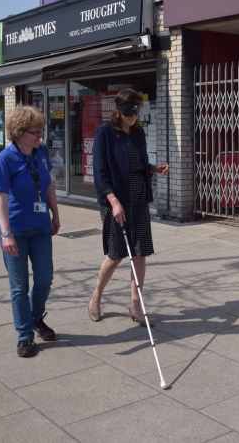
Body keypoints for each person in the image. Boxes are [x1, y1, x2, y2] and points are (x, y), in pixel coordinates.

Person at [89, 89, 168, 326]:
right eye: (129, 110)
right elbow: (100, 172)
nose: (133, 115)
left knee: (140, 253)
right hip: (116, 202)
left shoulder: (138, 132)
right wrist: (113, 202)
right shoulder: (104, 133)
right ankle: (96, 295)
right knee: (116, 255)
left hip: (139, 200)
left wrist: (154, 169)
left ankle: (136, 305)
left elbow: (137, 163)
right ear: (119, 108)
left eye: (137, 110)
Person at [0, 106, 61, 357]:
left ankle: (34, 318)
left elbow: (48, 183)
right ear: (19, 132)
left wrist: (55, 213)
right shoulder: (5, 159)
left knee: (44, 278)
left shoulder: (40, 151)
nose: (39, 136)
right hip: (16, 231)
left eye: (42, 131)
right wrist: (5, 233)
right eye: (35, 132)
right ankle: (24, 335)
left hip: (41, 226)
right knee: (19, 287)